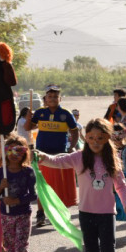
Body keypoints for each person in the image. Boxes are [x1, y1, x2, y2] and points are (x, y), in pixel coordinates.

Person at [38, 118, 126, 252]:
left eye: (100, 137)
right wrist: (42, 156)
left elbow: (121, 186)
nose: (96, 141)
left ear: (107, 138)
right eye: (91, 137)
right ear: (85, 138)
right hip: (86, 214)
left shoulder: (112, 159)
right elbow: (58, 161)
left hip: (107, 214)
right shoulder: (79, 157)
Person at [25, 84, 80, 226]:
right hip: (41, 154)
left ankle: (59, 213)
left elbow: (75, 131)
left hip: (59, 155)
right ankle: (41, 213)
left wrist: (72, 147)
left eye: (55, 96)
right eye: (50, 96)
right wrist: (28, 118)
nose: (53, 99)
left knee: (57, 185)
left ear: (60, 98)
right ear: (46, 98)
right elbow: (28, 128)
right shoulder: (39, 112)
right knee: (42, 185)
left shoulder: (66, 114)